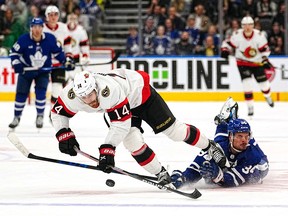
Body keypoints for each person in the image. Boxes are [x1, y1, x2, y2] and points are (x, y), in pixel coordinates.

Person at [50, 69, 229, 187]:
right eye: (84, 98)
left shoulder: (108, 91)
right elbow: (58, 113)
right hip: (122, 104)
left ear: (96, 87)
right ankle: (161, 173)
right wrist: (63, 133)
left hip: (141, 95)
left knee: (175, 132)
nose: (90, 101)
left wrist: (107, 150)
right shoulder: (71, 95)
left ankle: (209, 146)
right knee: (132, 142)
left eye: (91, 95)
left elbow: (121, 124)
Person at [171, 97, 269, 188]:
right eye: (240, 136)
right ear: (230, 137)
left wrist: (218, 176)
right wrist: (184, 178)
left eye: (246, 136)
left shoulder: (252, 156)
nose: (244, 140)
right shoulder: (220, 142)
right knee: (209, 155)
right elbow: (199, 164)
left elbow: (233, 180)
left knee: (253, 177)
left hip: (260, 166)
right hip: (227, 140)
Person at [8, 18, 71, 129]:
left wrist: (66, 61)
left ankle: (40, 116)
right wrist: (16, 63)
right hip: (26, 72)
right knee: (21, 94)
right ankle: (16, 117)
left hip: (42, 72)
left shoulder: (50, 39)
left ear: (42, 28)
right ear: (31, 28)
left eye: (39, 27)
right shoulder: (23, 39)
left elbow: (58, 53)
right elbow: (14, 53)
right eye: (34, 27)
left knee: (41, 94)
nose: (37, 29)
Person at [220, 16, 274, 116]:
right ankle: (250, 107)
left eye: (250, 25)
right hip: (243, 63)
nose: (247, 27)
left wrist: (265, 60)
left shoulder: (259, 35)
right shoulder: (237, 35)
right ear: (242, 26)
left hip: (256, 63)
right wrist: (225, 50)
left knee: (264, 85)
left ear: (253, 25)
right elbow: (226, 43)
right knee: (247, 84)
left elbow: (265, 50)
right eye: (245, 25)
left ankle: (267, 96)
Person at [43, 5, 75, 118]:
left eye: (55, 14)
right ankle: (40, 114)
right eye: (50, 15)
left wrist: (69, 57)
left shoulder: (63, 27)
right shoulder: (41, 28)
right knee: (41, 90)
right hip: (44, 64)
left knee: (57, 90)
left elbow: (67, 45)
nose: (53, 17)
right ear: (46, 16)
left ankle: (52, 113)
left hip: (58, 64)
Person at [66, 13, 90, 83]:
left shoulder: (81, 30)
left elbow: (84, 47)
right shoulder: (63, 29)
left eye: (74, 19)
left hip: (76, 61)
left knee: (78, 82)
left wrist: (85, 57)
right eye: (71, 19)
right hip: (64, 61)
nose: (72, 21)